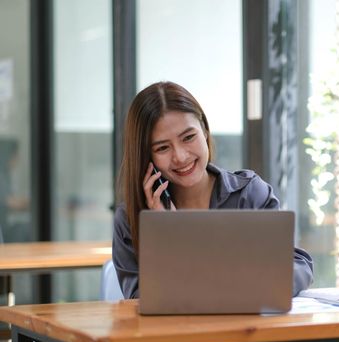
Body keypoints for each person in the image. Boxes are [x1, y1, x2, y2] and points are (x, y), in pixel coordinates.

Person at [113, 81, 314, 299]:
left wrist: (237, 285)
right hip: (176, 333)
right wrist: (168, 234)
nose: (180, 156)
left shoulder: (248, 194)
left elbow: (297, 266)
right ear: (147, 157)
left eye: (188, 137)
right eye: (162, 148)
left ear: (205, 132)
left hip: (248, 329)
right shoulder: (130, 218)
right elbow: (141, 300)